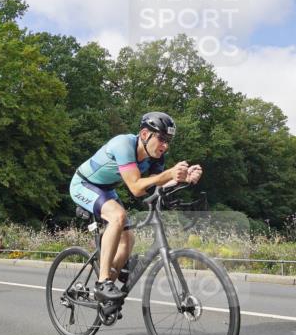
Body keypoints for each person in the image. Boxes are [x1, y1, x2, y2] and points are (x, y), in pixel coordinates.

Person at [69, 112, 202, 302]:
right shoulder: (123, 145)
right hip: (83, 184)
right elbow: (136, 188)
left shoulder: (156, 156)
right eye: (162, 139)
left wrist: (183, 178)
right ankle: (102, 282)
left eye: (169, 141)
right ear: (145, 134)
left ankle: (106, 295)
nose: (165, 145)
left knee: (128, 239)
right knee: (118, 217)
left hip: (107, 190)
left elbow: (157, 185)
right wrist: (171, 173)